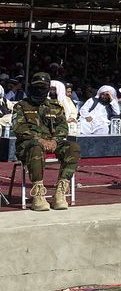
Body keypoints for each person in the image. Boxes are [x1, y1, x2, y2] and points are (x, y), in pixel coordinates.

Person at [13, 73, 80, 211]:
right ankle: (38, 193)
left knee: (73, 148)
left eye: (43, 87)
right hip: (29, 144)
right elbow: (19, 128)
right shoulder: (21, 106)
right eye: (36, 86)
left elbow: (63, 127)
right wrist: (39, 139)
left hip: (52, 142)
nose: (39, 90)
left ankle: (60, 193)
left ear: (48, 89)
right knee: (36, 147)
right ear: (31, 87)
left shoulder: (55, 106)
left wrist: (55, 140)